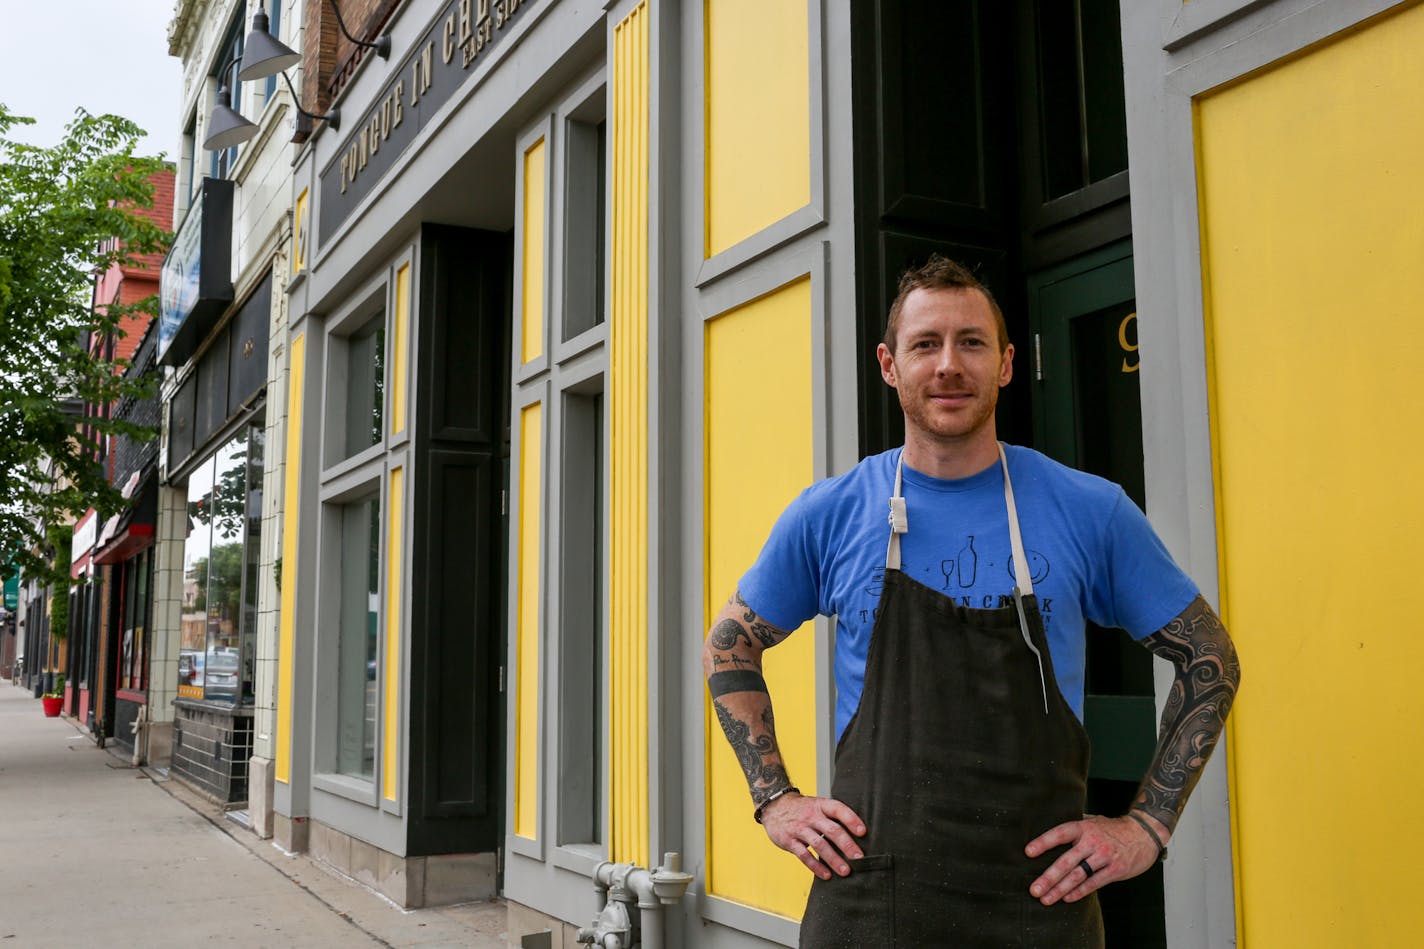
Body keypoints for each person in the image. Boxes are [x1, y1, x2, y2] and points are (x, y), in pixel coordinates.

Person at [702, 256, 1241, 947]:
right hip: (872, 903)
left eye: (972, 342)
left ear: (1008, 363)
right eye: (925, 344)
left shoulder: (1090, 509)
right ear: (889, 364)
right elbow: (728, 645)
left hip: (1042, 906)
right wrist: (775, 799)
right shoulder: (831, 514)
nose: (949, 364)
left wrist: (1146, 826)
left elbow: (1210, 656)